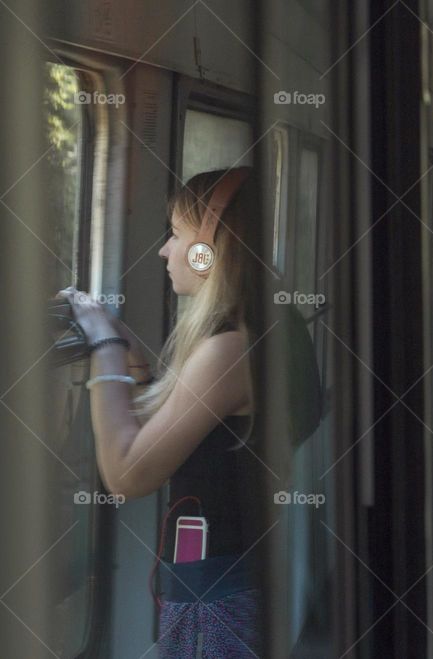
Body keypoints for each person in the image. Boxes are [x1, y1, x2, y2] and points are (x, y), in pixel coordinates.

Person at [57, 167, 321, 657]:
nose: (164, 250)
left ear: (209, 251)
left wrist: (106, 344)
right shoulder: (271, 326)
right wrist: (123, 347)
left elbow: (126, 474)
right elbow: (188, 418)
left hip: (213, 598)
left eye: (177, 235)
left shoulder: (231, 350)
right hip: (237, 577)